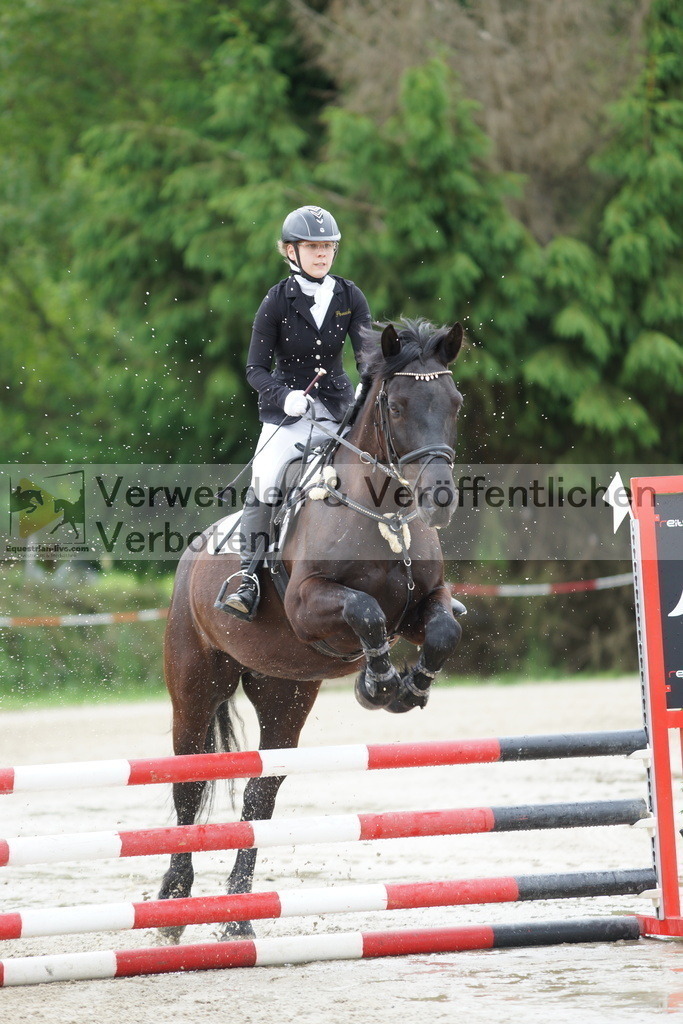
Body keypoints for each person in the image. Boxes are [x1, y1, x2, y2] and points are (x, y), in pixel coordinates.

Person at [216, 205, 372, 620]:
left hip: (339, 410)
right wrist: (284, 396)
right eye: (313, 247)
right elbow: (254, 369)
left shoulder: (349, 296)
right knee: (266, 479)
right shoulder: (276, 301)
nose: (322, 254)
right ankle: (248, 578)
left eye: (328, 247)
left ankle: (418, 574)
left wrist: (366, 385)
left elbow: (368, 355)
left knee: (379, 468)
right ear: (290, 251)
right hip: (287, 415)